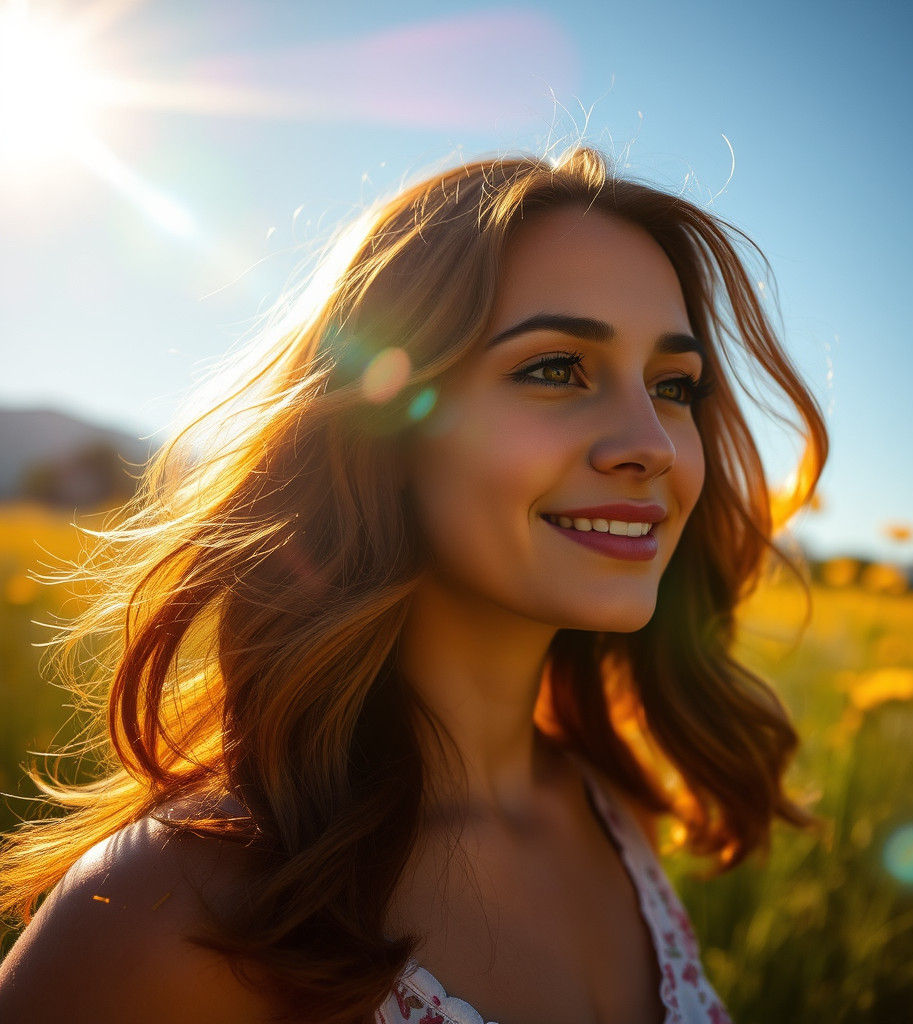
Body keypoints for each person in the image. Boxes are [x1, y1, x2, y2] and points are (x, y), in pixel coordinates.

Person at [0, 143, 828, 1024]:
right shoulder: (176, 908)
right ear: (385, 427)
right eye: (555, 369)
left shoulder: (618, 811)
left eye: (674, 385)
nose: (653, 443)